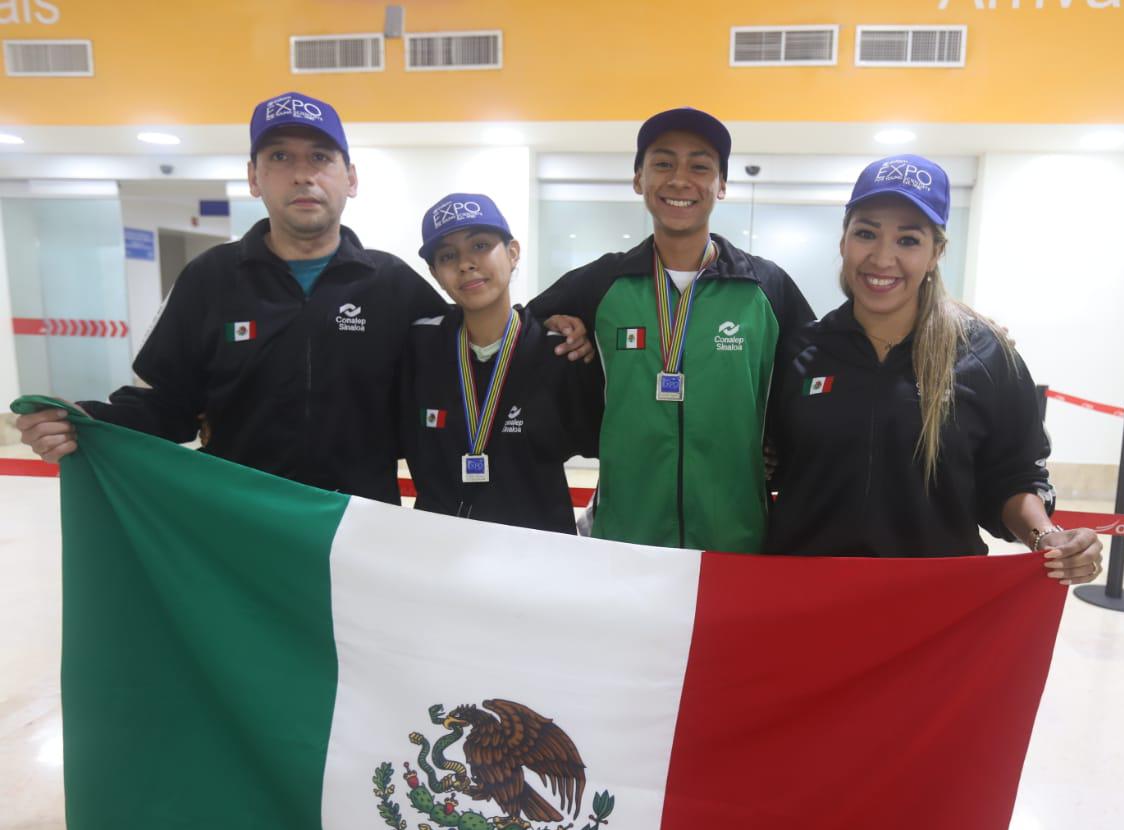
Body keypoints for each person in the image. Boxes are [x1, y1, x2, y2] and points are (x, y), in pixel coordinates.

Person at [16, 91, 451, 504]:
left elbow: (460, 386)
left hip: (357, 525)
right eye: (280, 157)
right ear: (253, 178)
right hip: (236, 526)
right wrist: (86, 423)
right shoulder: (210, 279)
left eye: (320, 157)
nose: (303, 174)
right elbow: (170, 405)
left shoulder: (394, 286)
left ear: (350, 178)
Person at [765, 154, 1103, 582]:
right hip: (804, 598)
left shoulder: (984, 355)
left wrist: (1046, 537)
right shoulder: (799, 350)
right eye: (866, 233)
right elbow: (765, 462)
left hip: (934, 606)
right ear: (843, 241)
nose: (882, 258)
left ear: (936, 252)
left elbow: (1013, 474)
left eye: (908, 240)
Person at [529, 107, 814, 553]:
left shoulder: (764, 287)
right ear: (639, 179)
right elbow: (523, 326)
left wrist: (781, 449)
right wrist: (556, 323)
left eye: (700, 166)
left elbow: (811, 374)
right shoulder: (604, 283)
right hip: (625, 534)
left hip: (736, 538)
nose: (680, 179)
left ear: (721, 185)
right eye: (663, 163)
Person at [401, 193, 602, 533]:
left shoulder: (560, 353)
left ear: (512, 253)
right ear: (435, 273)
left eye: (480, 246)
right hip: (438, 556)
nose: (466, 263)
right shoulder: (419, 349)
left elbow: (608, 447)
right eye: (448, 255)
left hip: (534, 559)